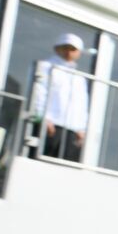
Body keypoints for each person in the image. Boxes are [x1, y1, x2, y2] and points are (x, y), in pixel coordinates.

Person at [30, 32, 90, 160]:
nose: (69, 52)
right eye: (65, 48)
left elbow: (82, 104)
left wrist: (81, 128)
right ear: (57, 49)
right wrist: (44, 118)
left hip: (71, 129)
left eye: (73, 49)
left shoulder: (80, 78)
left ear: (78, 53)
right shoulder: (44, 67)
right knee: (39, 161)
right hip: (50, 124)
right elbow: (38, 92)